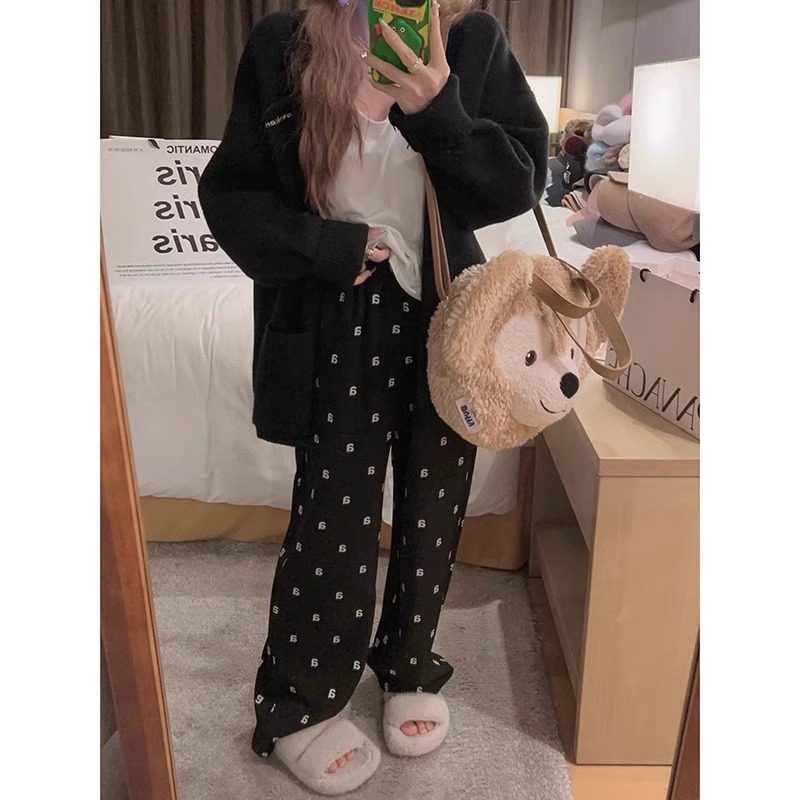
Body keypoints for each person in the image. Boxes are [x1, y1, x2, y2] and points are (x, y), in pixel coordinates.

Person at [198, 0, 547, 794]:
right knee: (333, 511)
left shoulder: (472, 40)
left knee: (436, 502)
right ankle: (301, 702)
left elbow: (519, 181)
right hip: (335, 308)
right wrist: (323, 245)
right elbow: (233, 196)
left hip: (448, 313)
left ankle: (410, 662)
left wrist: (437, 108)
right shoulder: (286, 43)